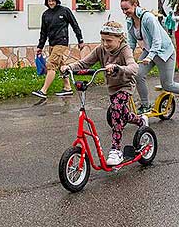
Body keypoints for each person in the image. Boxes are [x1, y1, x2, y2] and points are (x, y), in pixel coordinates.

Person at [60, 21, 148, 165]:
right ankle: (140, 120)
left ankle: (116, 150)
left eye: (109, 41)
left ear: (119, 39)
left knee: (116, 110)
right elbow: (84, 63)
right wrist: (69, 67)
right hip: (112, 87)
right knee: (123, 114)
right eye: (103, 40)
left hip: (125, 85)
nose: (105, 44)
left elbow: (134, 67)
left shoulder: (125, 49)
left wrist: (117, 67)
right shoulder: (100, 50)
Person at [120, 0, 179, 114]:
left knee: (168, 85)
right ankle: (145, 105)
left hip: (164, 52)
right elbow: (131, 43)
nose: (125, 12)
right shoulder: (129, 21)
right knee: (138, 75)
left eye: (127, 9)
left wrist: (150, 57)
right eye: (122, 10)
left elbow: (157, 40)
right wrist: (127, 58)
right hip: (149, 51)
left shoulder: (148, 18)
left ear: (135, 5)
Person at [32, 0, 84, 99]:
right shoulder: (45, 14)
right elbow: (43, 32)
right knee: (61, 65)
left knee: (51, 64)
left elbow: (75, 25)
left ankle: (43, 91)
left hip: (61, 42)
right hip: (52, 43)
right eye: (49, 1)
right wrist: (40, 47)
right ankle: (67, 88)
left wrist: (80, 40)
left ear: (57, 1)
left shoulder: (64, 11)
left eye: (53, 1)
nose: (51, 3)